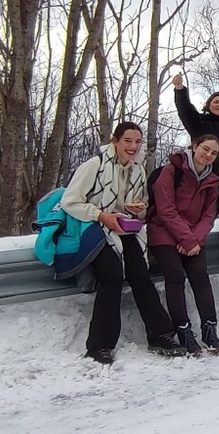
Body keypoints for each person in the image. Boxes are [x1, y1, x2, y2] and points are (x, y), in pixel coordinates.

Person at [61, 122, 185, 364]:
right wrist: (101, 215)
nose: (133, 147)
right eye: (128, 141)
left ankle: (160, 334)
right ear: (115, 141)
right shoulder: (95, 165)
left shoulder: (138, 169)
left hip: (124, 228)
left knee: (140, 274)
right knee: (112, 275)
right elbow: (70, 201)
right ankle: (99, 345)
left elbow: (141, 205)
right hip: (95, 227)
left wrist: (137, 209)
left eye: (137, 142)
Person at [147, 133, 219, 355]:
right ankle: (183, 329)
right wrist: (188, 240)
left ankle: (209, 328)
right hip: (163, 231)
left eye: (213, 153)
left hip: (192, 236)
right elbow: (165, 210)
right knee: (175, 276)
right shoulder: (171, 172)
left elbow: (209, 215)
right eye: (205, 149)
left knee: (200, 276)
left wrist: (194, 239)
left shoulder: (212, 182)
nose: (208, 155)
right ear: (194, 146)